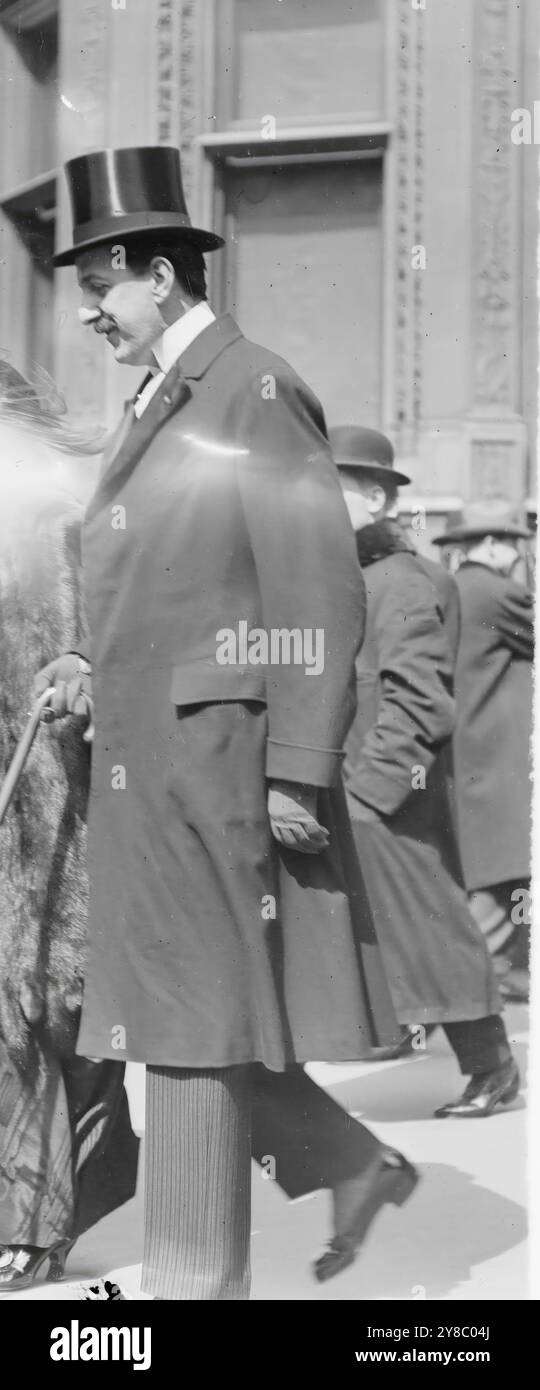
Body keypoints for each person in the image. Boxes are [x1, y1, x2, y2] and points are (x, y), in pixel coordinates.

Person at [33, 146, 418, 1299]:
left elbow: (315, 586)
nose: (91, 315)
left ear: (159, 274)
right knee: (175, 1021)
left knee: (193, 1028)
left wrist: (298, 770)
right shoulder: (167, 396)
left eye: (101, 288)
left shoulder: (251, 387)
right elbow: (175, 585)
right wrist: (90, 662)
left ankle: (194, 1291)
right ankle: (297, 1204)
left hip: (219, 767)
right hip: (155, 764)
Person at [331, 425, 520, 1119]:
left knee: (432, 926)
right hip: (361, 786)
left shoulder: (402, 580)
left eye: (334, 487)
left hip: (387, 791)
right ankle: (406, 1031)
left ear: (376, 498)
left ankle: (493, 1070)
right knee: (398, 927)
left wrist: (372, 793)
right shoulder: (360, 576)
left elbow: (419, 698)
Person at [0, 362, 139, 1294]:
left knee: (44, 1016)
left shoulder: (61, 519)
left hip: (51, 806)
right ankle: (48, 1201)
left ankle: (37, 1215)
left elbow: (120, 638)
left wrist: (83, 667)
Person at [433, 501, 534, 1001]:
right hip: (500, 760)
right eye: (514, 545)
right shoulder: (498, 593)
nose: (518, 555)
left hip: (466, 755)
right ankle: (479, 981)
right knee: (503, 871)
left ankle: (501, 974)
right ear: (492, 545)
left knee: (490, 871)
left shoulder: (450, 589)